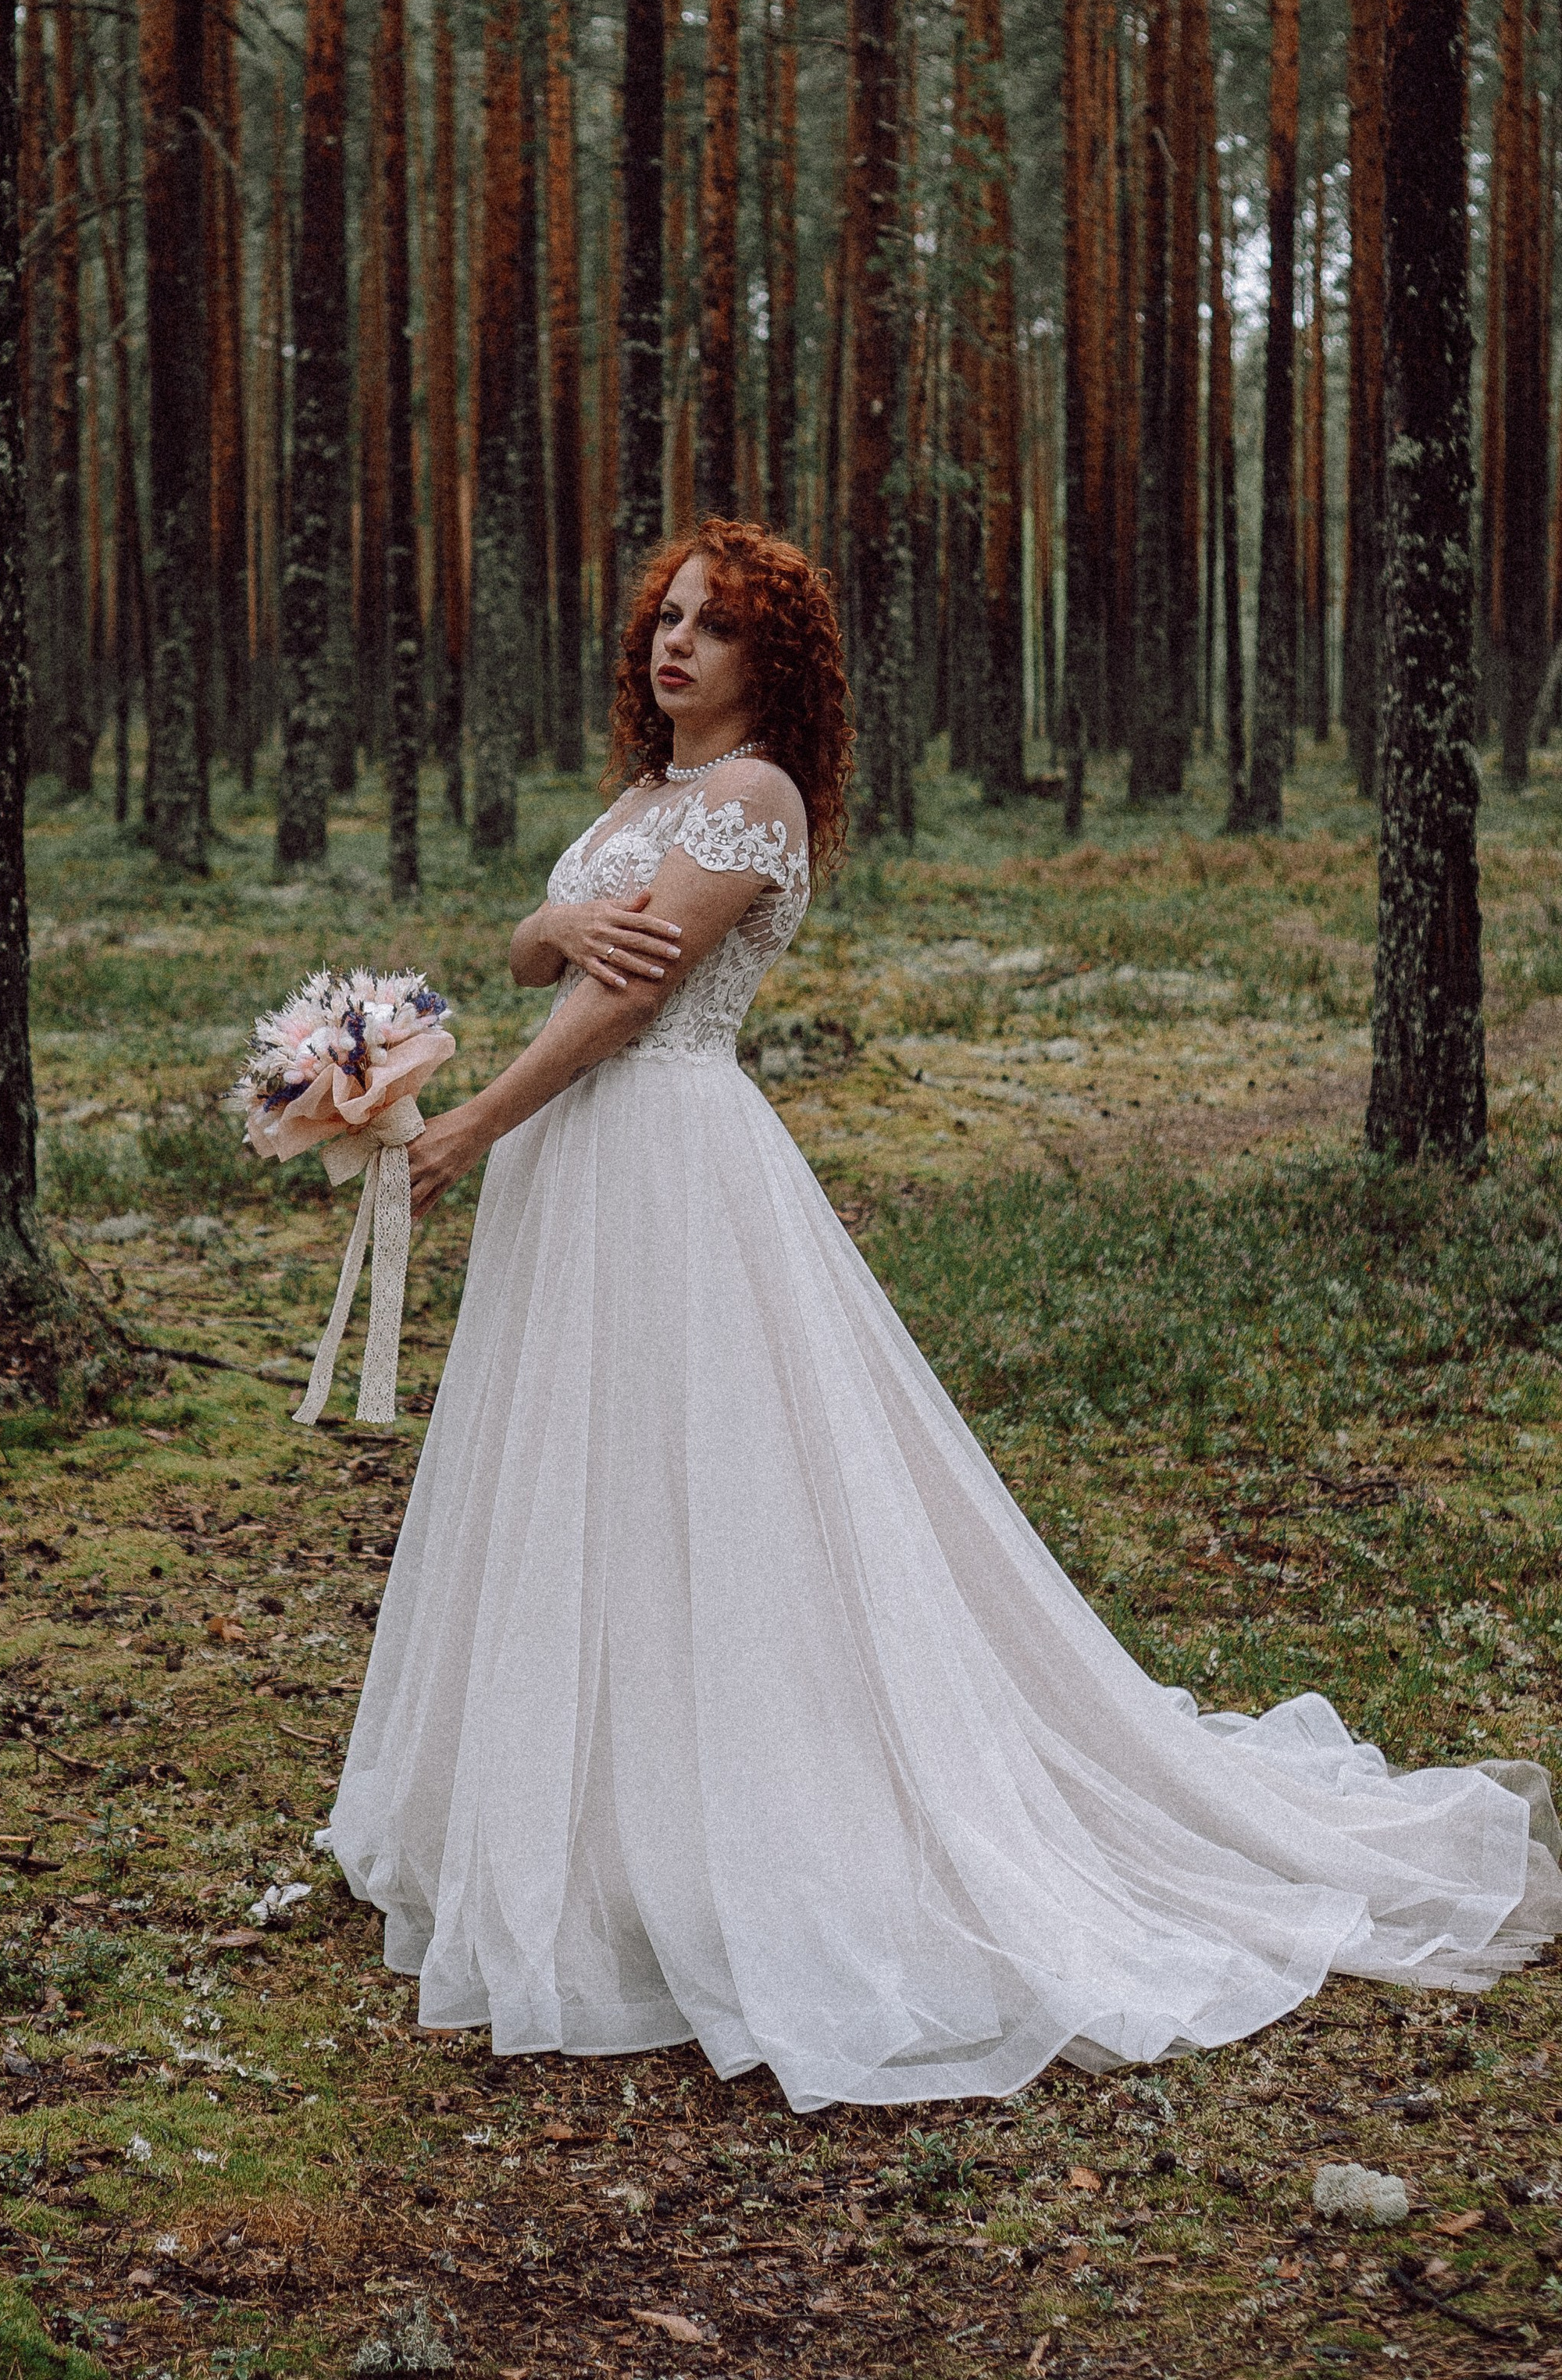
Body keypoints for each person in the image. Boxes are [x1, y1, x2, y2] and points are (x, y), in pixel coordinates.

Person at [325, 516, 1562, 2114]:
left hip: (666, 1161)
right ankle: (583, 1812)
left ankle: (729, 1824)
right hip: (574, 1181)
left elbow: (631, 1006)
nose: (675, 645)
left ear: (771, 665)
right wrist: (549, 924)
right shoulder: (639, 799)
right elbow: (548, 948)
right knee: (583, 1479)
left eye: (713, 628)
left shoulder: (752, 798)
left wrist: (465, 1128)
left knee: (712, 1485)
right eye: (665, 618)